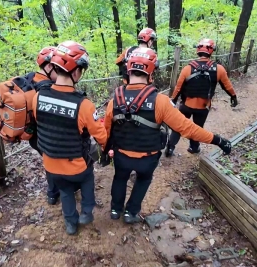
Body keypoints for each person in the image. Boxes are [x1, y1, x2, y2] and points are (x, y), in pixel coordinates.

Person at [103, 47, 232, 224]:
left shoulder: (113, 101)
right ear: (150, 73)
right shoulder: (161, 102)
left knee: (119, 178)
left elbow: (107, 132)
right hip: (147, 158)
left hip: (121, 155)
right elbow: (188, 128)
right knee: (143, 180)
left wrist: (105, 151)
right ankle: (130, 212)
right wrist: (217, 140)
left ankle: (116, 210)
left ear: (129, 69)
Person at [32, 40, 107, 235]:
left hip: (50, 165)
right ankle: (87, 211)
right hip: (76, 166)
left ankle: (71, 223)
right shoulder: (84, 105)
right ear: (75, 72)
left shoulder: (37, 97)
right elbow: (100, 136)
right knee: (87, 176)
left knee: (65, 190)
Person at [165, 38, 238, 157]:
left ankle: (170, 147)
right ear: (211, 51)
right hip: (203, 107)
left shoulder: (188, 68)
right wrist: (233, 97)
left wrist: (173, 100)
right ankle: (194, 147)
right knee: (197, 127)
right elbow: (227, 86)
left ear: (198, 50)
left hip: (186, 105)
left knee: (178, 125)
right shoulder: (219, 69)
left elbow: (178, 87)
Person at [27, 46, 60, 205]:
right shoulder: (47, 88)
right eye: (56, 66)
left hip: (33, 135)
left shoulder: (30, 78)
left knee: (49, 161)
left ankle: (53, 192)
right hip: (44, 135)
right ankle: (55, 192)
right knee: (54, 162)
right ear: (48, 66)